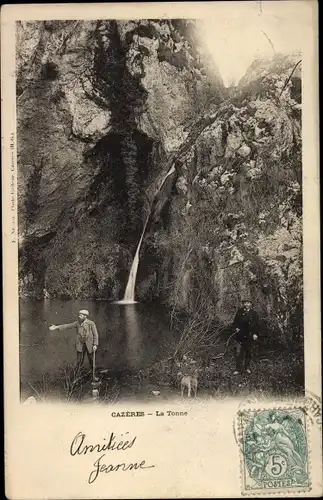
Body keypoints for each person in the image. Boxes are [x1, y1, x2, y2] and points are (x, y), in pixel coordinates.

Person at [49, 310, 99, 379]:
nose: (79, 316)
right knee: (79, 361)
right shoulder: (77, 323)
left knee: (91, 360)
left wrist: (95, 344)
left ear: (85, 316)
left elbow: (95, 334)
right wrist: (57, 327)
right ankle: (76, 376)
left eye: (81, 315)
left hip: (89, 345)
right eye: (79, 315)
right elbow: (68, 326)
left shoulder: (91, 323)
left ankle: (94, 376)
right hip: (80, 344)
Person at [232, 299, 259, 375]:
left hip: (249, 336)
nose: (247, 304)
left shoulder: (254, 313)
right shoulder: (239, 312)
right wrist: (236, 328)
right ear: (243, 304)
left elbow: (257, 325)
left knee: (248, 353)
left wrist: (255, 334)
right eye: (245, 303)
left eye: (248, 303)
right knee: (238, 352)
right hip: (240, 336)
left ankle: (247, 368)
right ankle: (237, 369)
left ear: (251, 304)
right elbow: (234, 323)